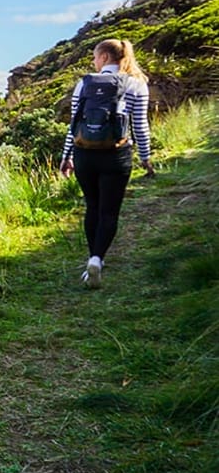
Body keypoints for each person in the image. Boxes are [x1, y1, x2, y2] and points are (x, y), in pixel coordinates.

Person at [59, 38, 154, 289]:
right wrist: (145, 157)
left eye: (94, 56)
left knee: (93, 206)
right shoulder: (136, 85)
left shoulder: (84, 83)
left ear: (103, 57)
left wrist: (66, 156)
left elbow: (74, 124)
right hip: (117, 155)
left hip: (84, 154)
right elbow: (140, 126)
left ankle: (92, 260)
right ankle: (97, 259)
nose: (94, 61)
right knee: (109, 211)